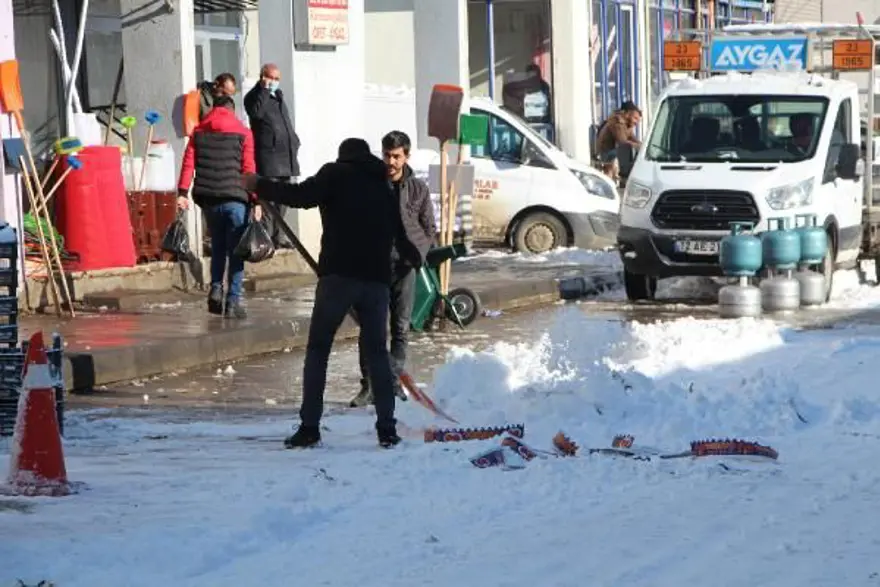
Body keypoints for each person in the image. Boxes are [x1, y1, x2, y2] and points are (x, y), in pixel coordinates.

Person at [243, 138, 421, 449]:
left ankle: (310, 427)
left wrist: (258, 183)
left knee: (318, 352)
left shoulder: (335, 174)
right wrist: (415, 257)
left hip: (338, 278)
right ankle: (386, 429)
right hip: (376, 282)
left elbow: (298, 196)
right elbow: (401, 232)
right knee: (378, 354)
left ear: (343, 157)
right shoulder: (384, 184)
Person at [349, 130, 436, 409]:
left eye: (397, 156)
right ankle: (369, 385)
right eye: (387, 155)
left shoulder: (418, 188)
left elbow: (429, 228)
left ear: (406, 156)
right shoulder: (372, 184)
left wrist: (417, 254)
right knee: (370, 329)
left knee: (400, 327)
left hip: (404, 267)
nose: (391, 161)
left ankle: (394, 381)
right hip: (373, 268)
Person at [177, 95, 259, 320]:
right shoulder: (244, 133)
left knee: (218, 248)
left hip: (210, 200)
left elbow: (188, 163)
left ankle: (215, 288)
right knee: (237, 251)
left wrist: (182, 191)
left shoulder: (199, 132)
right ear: (232, 111)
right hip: (236, 200)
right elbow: (248, 168)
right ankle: (233, 302)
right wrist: (256, 199)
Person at [244, 63, 300, 250]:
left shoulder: (279, 97)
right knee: (269, 200)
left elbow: (285, 122)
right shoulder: (254, 96)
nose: (274, 82)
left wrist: (294, 140)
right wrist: (264, 90)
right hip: (270, 157)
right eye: (271, 78)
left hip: (286, 157)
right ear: (262, 77)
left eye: (277, 79)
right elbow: (256, 113)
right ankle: (267, 236)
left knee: (283, 200)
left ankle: (279, 235)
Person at [595, 101, 642, 182]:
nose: (636, 122)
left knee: (636, 149)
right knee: (627, 149)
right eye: (635, 118)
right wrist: (637, 146)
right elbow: (622, 142)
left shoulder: (627, 124)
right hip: (606, 153)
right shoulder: (617, 122)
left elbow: (633, 138)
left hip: (613, 151)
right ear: (627, 114)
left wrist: (643, 145)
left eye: (638, 120)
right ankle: (624, 176)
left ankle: (628, 175)